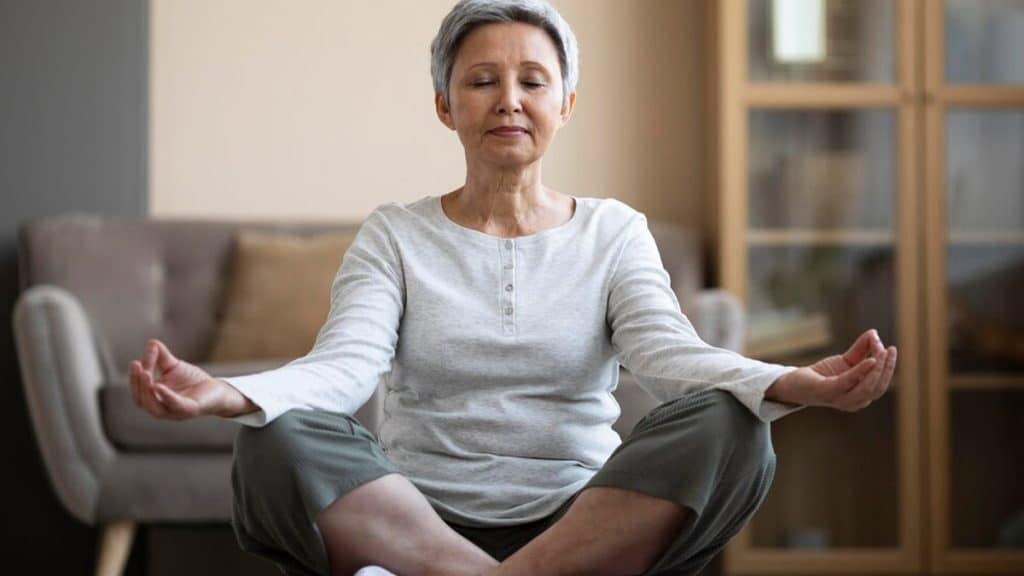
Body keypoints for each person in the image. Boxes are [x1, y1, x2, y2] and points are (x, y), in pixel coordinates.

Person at [129, 1, 898, 574]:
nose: (509, 100)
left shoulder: (615, 232)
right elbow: (344, 369)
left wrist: (786, 382)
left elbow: (670, 358)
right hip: (416, 516)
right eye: (482, 81)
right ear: (445, 105)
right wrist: (233, 396)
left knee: (733, 426)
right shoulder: (395, 234)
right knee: (278, 433)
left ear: (565, 104)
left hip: (583, 517)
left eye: (534, 80)